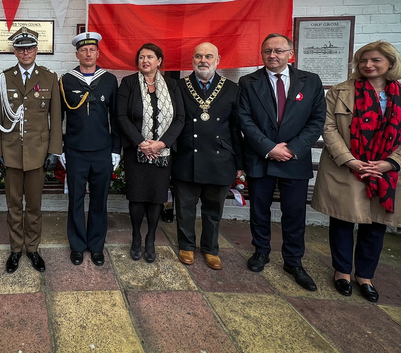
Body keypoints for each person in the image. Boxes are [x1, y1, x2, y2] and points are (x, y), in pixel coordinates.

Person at [311, 41, 401, 303]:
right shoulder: (340, 92)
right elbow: (328, 128)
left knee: (376, 224)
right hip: (349, 169)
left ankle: (365, 276)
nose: (368, 65)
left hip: (387, 171)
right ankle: (342, 271)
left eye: (375, 60)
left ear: (391, 63)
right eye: (363, 60)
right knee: (342, 220)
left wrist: (391, 162)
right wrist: (350, 160)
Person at [238, 33, 325, 291]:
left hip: (294, 160)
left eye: (278, 51)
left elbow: (317, 120)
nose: (272, 55)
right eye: (267, 51)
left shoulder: (311, 82)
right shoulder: (248, 82)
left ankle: (294, 261)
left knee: (295, 213)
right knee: (259, 210)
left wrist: (292, 149)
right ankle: (261, 251)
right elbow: (244, 119)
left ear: (291, 53)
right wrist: (269, 148)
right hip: (261, 158)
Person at [0, 27, 62, 273]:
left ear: (36, 50)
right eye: (21, 48)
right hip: (11, 153)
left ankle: (32, 249)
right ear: (15, 51)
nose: (25, 52)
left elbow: (56, 118)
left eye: (30, 48)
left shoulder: (49, 78)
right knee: (13, 206)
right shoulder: (2, 78)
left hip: (38, 153)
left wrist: (54, 151)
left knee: (33, 205)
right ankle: (15, 249)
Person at [173, 42, 243, 270]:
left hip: (220, 159)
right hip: (187, 156)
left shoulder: (232, 89)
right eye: (198, 56)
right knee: (185, 207)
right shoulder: (179, 87)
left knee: (213, 209)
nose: (203, 60)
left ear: (218, 59)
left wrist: (239, 163)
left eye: (208, 56)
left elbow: (236, 129)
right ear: (192, 60)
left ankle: (211, 248)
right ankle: (186, 245)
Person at [116, 43, 185, 263]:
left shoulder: (173, 86)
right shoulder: (128, 83)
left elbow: (179, 119)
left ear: (159, 61)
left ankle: (151, 238)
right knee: (137, 197)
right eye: (142, 57)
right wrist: (141, 143)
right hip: (136, 151)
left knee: (156, 198)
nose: (146, 61)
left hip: (162, 153)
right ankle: (136, 236)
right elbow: (121, 117)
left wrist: (161, 143)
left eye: (150, 57)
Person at [59, 31, 121, 267]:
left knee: (99, 200)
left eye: (92, 50)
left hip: (102, 151)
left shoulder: (109, 80)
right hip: (75, 150)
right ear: (77, 54)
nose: (88, 53)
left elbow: (115, 118)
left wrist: (116, 149)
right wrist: (60, 149)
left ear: (98, 52)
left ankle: (96, 246)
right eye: (83, 50)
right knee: (75, 200)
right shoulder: (66, 80)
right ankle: (77, 245)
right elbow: (59, 118)